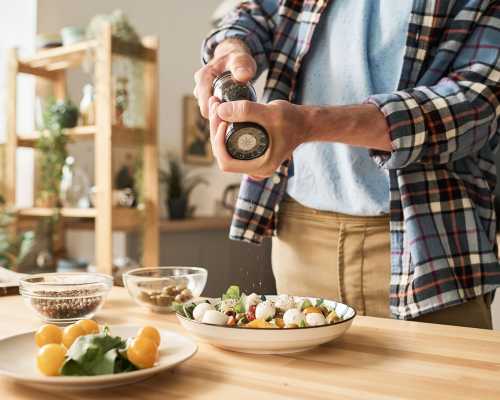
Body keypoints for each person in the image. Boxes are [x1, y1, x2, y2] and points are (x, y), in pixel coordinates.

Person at [194, 0, 500, 328]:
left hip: (430, 242)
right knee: (303, 379)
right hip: (300, 237)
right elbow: (255, 12)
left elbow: (474, 103)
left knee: (446, 379)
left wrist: (308, 123)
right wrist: (232, 46)